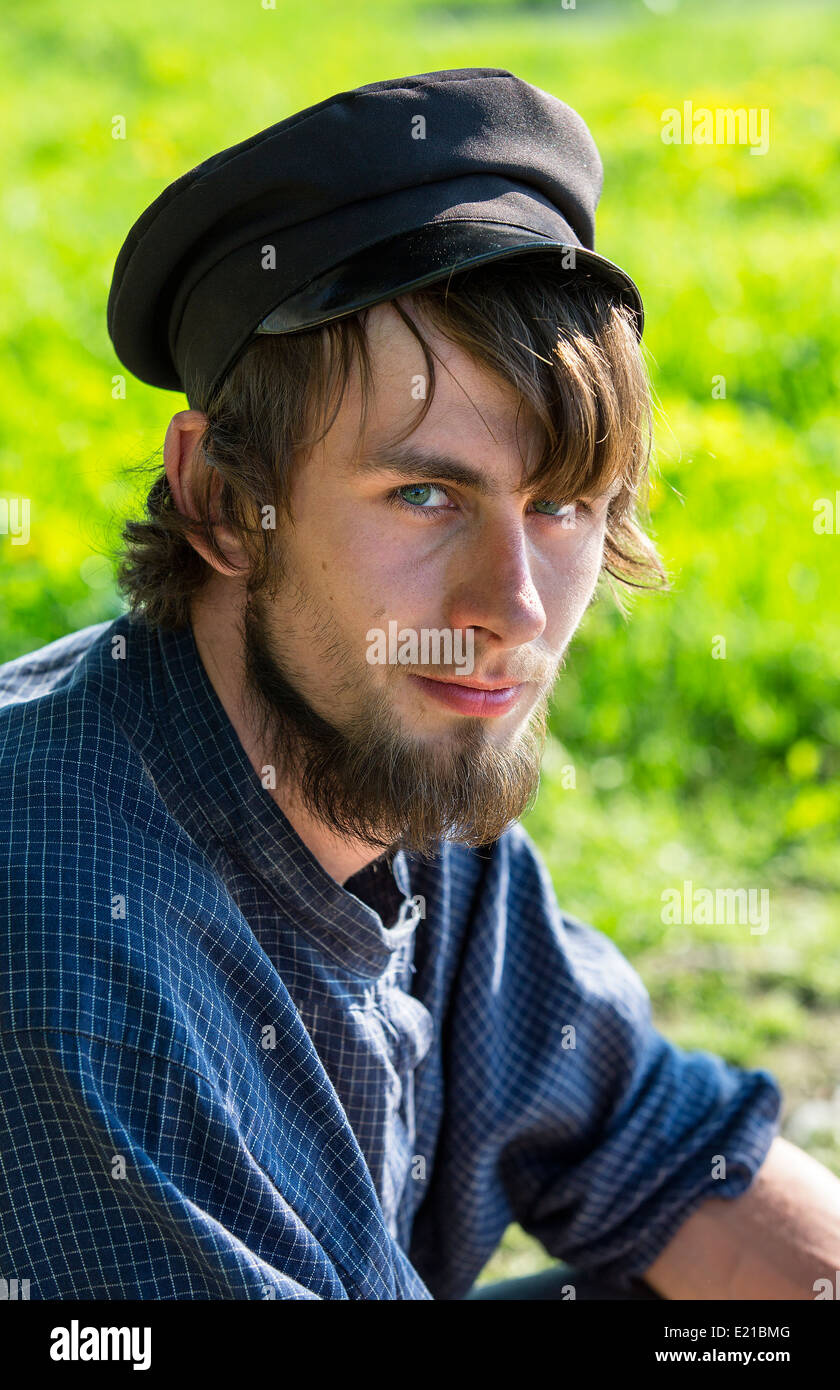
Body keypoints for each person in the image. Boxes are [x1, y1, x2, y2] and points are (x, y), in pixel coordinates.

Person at [1, 68, 838, 1301]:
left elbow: (666, 1152)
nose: (513, 611)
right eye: (425, 495)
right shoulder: (66, 926)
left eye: (560, 507)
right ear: (225, 500)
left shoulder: (399, 757)